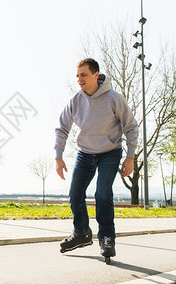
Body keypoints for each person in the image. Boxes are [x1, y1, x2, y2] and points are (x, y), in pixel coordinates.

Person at [54, 58, 138, 258]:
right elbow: (62, 129)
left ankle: (107, 237)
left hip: (110, 151)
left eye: (83, 75)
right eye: (77, 76)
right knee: (75, 194)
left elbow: (131, 127)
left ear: (96, 75)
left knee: (102, 193)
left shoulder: (114, 98)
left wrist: (130, 157)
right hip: (85, 152)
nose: (79, 80)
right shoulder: (75, 101)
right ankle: (81, 232)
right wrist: (58, 156)